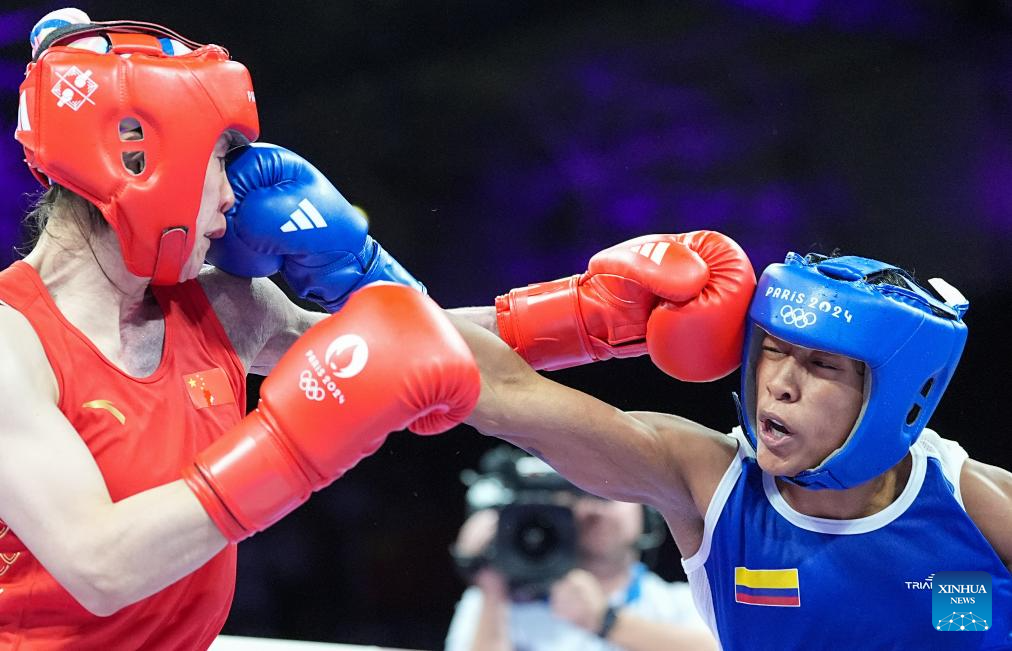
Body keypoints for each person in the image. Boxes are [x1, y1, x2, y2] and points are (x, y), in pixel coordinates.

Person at [0, 9, 480, 649]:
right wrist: (295, 447)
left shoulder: (223, 306)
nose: (234, 195)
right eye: (221, 159)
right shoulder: (10, 344)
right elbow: (100, 565)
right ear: (136, 158)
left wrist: (577, 318)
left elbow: (408, 345)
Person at [439, 233, 1012, 649]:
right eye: (773, 350)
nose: (779, 384)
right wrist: (572, 320)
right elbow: (501, 393)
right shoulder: (707, 482)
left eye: (821, 365)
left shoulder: (975, 505)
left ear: (892, 395)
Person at [444, 446, 715, 651]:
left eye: (614, 494)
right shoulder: (492, 601)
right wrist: (492, 584)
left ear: (647, 514)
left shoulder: (684, 602)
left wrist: (606, 622)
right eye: (580, 493)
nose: (597, 507)